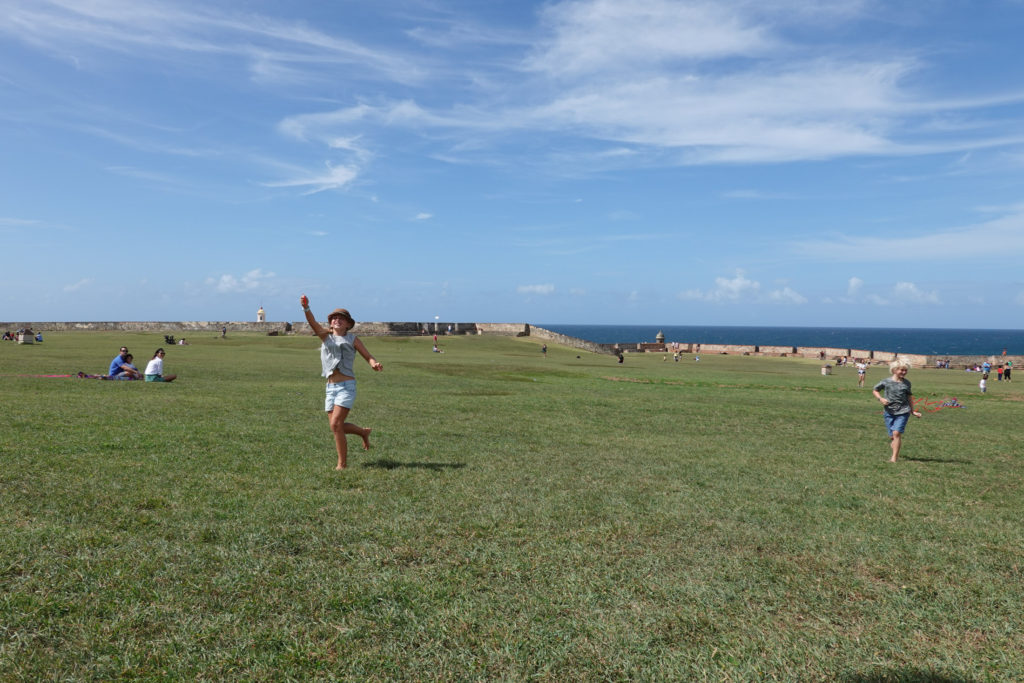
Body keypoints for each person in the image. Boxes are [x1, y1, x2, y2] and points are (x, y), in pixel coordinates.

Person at [301, 294, 382, 470]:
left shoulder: (353, 339)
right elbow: (313, 322)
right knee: (336, 426)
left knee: (336, 424)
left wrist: (373, 363)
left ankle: (342, 465)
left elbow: (367, 356)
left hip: (347, 386)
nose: (337, 320)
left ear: (348, 324)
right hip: (330, 387)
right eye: (334, 318)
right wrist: (306, 307)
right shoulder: (324, 336)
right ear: (330, 323)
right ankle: (362, 432)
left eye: (341, 318)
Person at [872, 359, 923, 463]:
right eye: (902, 370)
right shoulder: (886, 382)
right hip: (889, 412)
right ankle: (894, 442)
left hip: (903, 411)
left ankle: (894, 458)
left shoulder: (907, 383)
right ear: (894, 370)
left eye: (905, 370)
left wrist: (913, 411)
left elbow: (909, 398)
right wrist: (881, 399)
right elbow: (875, 390)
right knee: (892, 436)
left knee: (896, 433)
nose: (904, 372)